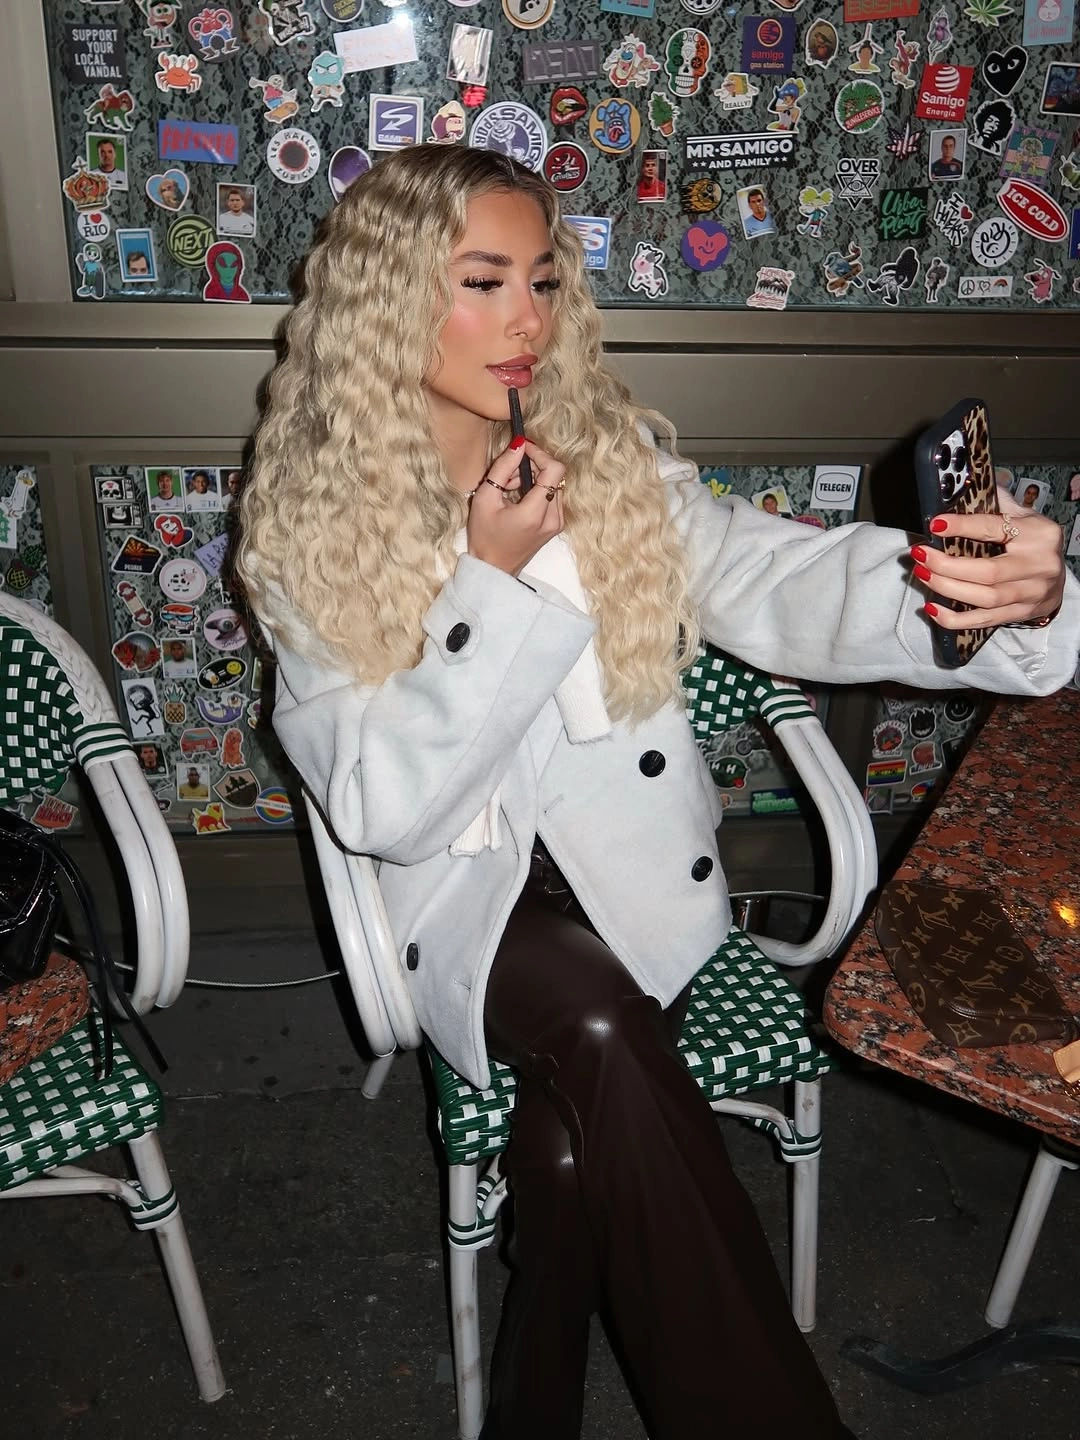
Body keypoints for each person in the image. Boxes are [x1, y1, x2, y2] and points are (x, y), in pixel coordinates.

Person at [235, 146, 1078, 1440]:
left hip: (631, 887)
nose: (527, 317)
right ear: (390, 298)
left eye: (543, 280)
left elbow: (770, 576)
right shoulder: (311, 524)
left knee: (566, 1155)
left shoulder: (595, 460)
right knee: (598, 1026)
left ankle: (531, 1409)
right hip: (465, 897)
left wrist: (967, 593)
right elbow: (382, 809)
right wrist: (490, 583)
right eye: (482, 281)